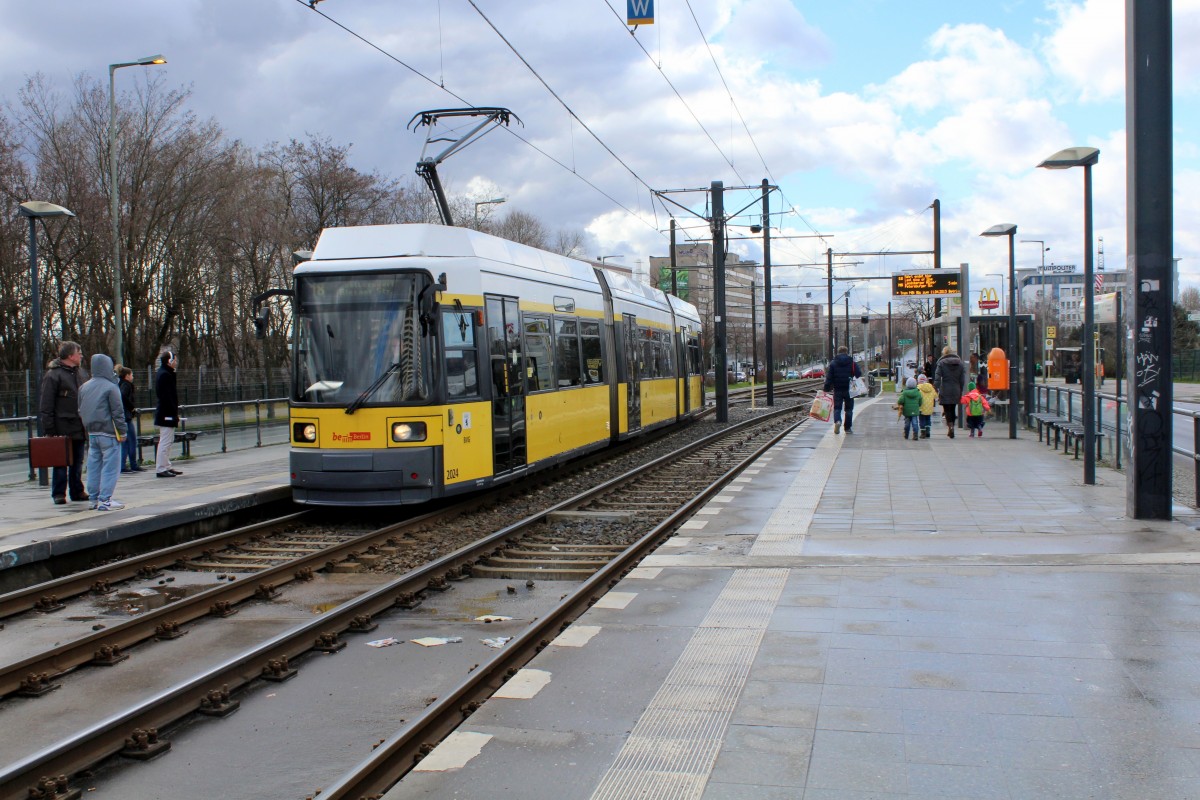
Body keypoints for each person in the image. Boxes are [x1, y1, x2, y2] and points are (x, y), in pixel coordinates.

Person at [38, 341, 89, 505]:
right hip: (62, 426)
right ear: (70, 355)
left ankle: (77, 490)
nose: (81, 355)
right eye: (78, 352)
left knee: (77, 461)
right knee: (61, 461)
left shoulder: (81, 373)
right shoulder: (53, 375)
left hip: (79, 425)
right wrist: (50, 429)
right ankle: (59, 493)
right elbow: (46, 404)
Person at [79, 354, 129, 510]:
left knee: (93, 466)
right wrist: (123, 432)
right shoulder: (111, 387)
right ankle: (105, 499)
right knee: (110, 467)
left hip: (92, 433)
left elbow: (80, 410)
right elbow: (118, 412)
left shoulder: (84, 387)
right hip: (109, 432)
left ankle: (93, 498)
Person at [154, 351, 183, 478]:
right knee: (165, 441)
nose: (176, 362)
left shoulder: (166, 374)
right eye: (174, 360)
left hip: (167, 412)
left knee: (168, 440)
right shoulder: (165, 375)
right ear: (169, 361)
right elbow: (167, 397)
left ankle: (166, 465)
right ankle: (161, 468)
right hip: (166, 413)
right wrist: (173, 412)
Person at [823, 345, 861, 435]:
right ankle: (847, 428)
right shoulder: (852, 362)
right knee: (848, 409)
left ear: (838, 352)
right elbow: (858, 374)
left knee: (837, 408)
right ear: (846, 352)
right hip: (849, 389)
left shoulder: (833, 363)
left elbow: (829, 377)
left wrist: (826, 388)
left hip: (838, 389)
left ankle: (837, 421)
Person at [116, 365, 144, 473]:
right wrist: (132, 408)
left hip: (123, 416)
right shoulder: (126, 385)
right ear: (127, 376)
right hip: (126, 417)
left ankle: (123, 465)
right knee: (131, 441)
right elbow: (123, 397)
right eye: (132, 374)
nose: (133, 376)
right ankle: (132, 464)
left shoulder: (119, 384)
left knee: (126, 442)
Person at [934, 346, 966, 439]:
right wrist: (960, 388)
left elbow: (937, 377)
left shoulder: (941, 363)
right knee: (953, 408)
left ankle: (950, 426)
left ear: (944, 353)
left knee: (947, 409)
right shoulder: (960, 363)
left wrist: (935, 388)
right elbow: (962, 379)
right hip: (956, 388)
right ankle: (952, 427)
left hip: (945, 389)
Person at [916, 374, 937, 439]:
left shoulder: (918, 389)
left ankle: (923, 433)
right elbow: (936, 397)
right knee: (928, 419)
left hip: (921, 407)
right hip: (929, 407)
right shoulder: (931, 388)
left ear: (918, 381)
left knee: (922, 420)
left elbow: (916, 397)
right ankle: (928, 431)